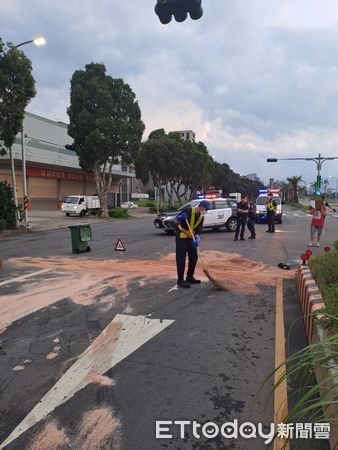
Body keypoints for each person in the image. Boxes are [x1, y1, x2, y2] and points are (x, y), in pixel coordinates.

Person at [175, 199, 211, 289]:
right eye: (206, 209)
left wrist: (197, 237)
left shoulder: (201, 217)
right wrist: (180, 218)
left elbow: (199, 229)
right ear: (202, 207)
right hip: (181, 237)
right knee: (181, 259)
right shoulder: (188, 211)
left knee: (194, 257)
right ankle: (180, 280)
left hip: (191, 239)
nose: (206, 211)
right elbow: (175, 221)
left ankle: (190, 277)